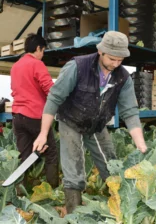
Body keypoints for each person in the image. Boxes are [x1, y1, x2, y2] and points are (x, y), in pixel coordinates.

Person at [33, 31, 147, 213]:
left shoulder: (123, 77)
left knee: (110, 164)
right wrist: (42, 134)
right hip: (70, 120)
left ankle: (121, 208)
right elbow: (54, 98)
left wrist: (140, 143)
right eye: (112, 59)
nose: (116, 64)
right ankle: (74, 212)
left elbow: (130, 111)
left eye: (120, 60)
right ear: (100, 51)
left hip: (96, 123)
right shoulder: (78, 66)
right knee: (74, 167)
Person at [10, 33, 59, 190]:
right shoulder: (36, 64)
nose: (42, 55)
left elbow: (15, 90)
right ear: (38, 48)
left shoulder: (15, 66)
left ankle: (20, 193)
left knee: (24, 156)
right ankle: (53, 191)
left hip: (18, 116)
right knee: (50, 153)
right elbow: (48, 88)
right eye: (43, 50)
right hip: (35, 116)